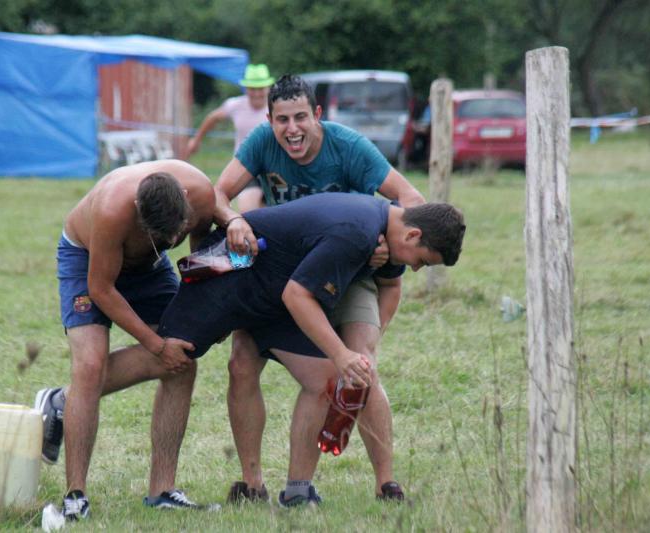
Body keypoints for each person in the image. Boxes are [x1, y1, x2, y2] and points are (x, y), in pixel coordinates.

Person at [156, 193, 465, 506]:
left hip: (271, 300)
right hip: (227, 279)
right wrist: (341, 354)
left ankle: (297, 492)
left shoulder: (381, 232)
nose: (414, 268)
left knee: (323, 380)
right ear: (413, 234)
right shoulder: (356, 231)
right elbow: (298, 296)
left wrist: (347, 356)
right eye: (422, 261)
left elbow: (300, 295)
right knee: (166, 357)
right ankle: (162, 487)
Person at [213, 74, 426, 503]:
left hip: (351, 272)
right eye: (282, 120)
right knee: (241, 362)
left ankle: (386, 483)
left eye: (300, 118)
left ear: (318, 116)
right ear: (270, 121)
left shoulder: (349, 147)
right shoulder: (260, 142)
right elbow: (216, 192)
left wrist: (384, 239)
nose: (292, 129)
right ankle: (252, 485)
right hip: (285, 273)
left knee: (360, 367)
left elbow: (412, 198)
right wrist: (233, 219)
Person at [34, 160, 215, 520]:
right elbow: (101, 289)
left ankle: (162, 491)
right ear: (138, 212)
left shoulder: (202, 193)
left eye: (173, 234)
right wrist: (155, 344)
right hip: (87, 257)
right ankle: (75, 498)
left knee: (183, 363)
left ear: (185, 199)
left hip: (148, 266)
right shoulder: (112, 209)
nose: (169, 241)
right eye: (159, 233)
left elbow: (203, 261)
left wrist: (209, 315)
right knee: (89, 366)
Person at [185, 63, 274, 212]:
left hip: (272, 166)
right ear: (246, 88)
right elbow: (212, 118)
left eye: (260, 89)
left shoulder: (276, 106)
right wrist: (196, 140)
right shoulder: (235, 105)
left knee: (271, 213)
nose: (257, 93)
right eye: (253, 89)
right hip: (247, 166)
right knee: (248, 212)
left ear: (268, 88)